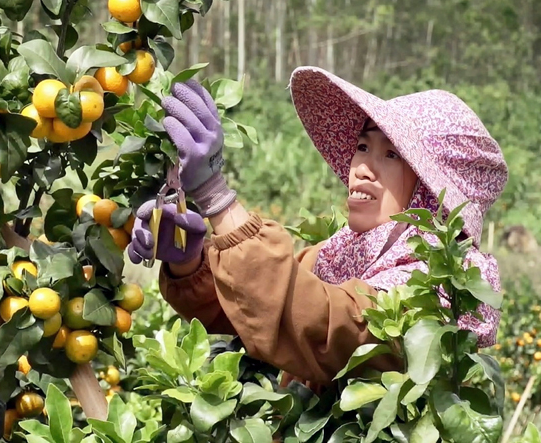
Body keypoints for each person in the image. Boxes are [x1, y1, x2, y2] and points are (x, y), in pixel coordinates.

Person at [128, 67, 508, 387]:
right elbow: (258, 305)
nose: (361, 168)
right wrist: (191, 263)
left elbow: (326, 324)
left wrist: (216, 197)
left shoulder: (437, 282)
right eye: (362, 147)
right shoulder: (340, 254)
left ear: (429, 193)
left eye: (391, 154)